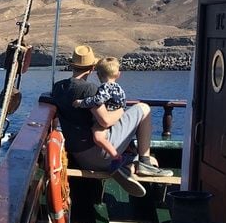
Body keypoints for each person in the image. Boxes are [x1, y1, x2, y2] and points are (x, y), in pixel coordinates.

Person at [50, 45, 171, 197]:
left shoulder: (58, 87)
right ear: (92, 68)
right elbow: (105, 121)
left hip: (79, 157)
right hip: (99, 154)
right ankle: (143, 162)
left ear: (72, 65)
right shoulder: (89, 89)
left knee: (154, 160)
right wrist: (121, 110)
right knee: (143, 108)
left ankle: (130, 167)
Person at [72, 56, 127, 161]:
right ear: (118, 75)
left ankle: (116, 156)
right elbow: (123, 103)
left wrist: (81, 102)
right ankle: (126, 149)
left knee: (98, 136)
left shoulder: (104, 87)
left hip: (107, 117)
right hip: (117, 118)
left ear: (98, 75)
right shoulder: (120, 89)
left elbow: (98, 100)